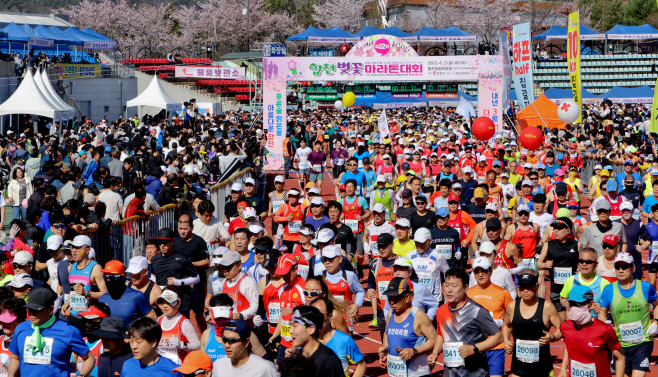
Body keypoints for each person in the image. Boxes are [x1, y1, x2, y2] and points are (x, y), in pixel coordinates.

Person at [428, 268, 503, 375]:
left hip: (475, 372)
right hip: (450, 372)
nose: (449, 290)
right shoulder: (441, 311)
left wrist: (474, 348)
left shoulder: (477, 311)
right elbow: (441, 334)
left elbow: (498, 336)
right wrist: (435, 353)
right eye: (447, 285)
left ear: (466, 287)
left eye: (454, 286)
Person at [8, 288, 95, 377]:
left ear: (50, 310)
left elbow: (89, 358)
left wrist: (82, 375)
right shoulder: (21, 328)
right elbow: (15, 358)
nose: (31, 313)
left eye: (37, 310)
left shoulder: (68, 331)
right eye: (29, 309)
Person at [598, 252, 658, 377]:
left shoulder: (645, 287)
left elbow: (657, 305)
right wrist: (605, 325)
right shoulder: (608, 290)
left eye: (624, 267)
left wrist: (656, 322)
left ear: (633, 268)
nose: (620, 270)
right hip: (619, 344)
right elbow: (602, 313)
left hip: (643, 342)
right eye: (617, 267)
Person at [502, 270, 562, 377]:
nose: (525, 290)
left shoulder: (547, 307)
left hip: (542, 368)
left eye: (529, 286)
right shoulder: (512, 306)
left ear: (536, 286)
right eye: (522, 286)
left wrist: (552, 337)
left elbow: (561, 329)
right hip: (518, 368)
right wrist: (506, 341)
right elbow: (506, 325)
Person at [558, 285, 625, 377]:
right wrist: (563, 369)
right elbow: (569, 345)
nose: (574, 307)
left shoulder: (605, 330)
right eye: (572, 304)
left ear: (591, 305)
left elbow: (620, 358)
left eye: (579, 303)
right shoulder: (565, 327)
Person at [377, 277, 436, 377]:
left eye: (395, 298)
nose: (391, 302)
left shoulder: (418, 315)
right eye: (389, 298)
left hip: (417, 374)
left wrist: (414, 351)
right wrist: (386, 348)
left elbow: (434, 339)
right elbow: (387, 334)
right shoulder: (390, 314)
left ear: (408, 297)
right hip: (395, 374)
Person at [466, 257, 513, 377]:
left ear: (490, 272)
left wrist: (507, 340)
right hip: (475, 346)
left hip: (496, 346)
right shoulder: (467, 294)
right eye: (477, 271)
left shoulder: (503, 293)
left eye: (484, 271)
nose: (480, 274)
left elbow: (511, 319)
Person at [150, 228, 200, 319]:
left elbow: (197, 278)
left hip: (181, 301)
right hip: (162, 301)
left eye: (165, 242)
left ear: (173, 241)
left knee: (181, 328)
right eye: (159, 242)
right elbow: (153, 276)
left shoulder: (182, 258)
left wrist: (178, 282)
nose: (162, 245)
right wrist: (157, 287)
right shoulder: (154, 259)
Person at [310, 296, 366, 377]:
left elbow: (361, 365)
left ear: (330, 317)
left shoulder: (344, 340)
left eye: (320, 316)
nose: (316, 319)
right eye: (312, 316)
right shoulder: (306, 341)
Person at [537, 217, 579, 320]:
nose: (555, 230)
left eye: (559, 228)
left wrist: (580, 267)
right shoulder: (548, 245)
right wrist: (545, 265)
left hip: (572, 289)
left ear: (568, 230)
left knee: (572, 319)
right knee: (562, 322)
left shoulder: (577, 245)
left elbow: (583, 262)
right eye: (554, 228)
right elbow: (538, 264)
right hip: (556, 290)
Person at [286, 306, 344, 377]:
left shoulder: (329, 361)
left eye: (295, 326)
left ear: (311, 329)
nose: (290, 331)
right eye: (290, 326)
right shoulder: (296, 357)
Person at [270, 254, 305, 363]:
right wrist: (275, 334)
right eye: (281, 274)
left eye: (286, 273)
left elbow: (313, 313)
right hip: (284, 343)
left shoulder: (305, 288)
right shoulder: (281, 289)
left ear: (295, 268)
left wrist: (295, 311)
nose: (284, 277)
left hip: (300, 344)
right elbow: (283, 315)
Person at [98, 260, 156, 326]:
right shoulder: (102, 299)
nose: (109, 280)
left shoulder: (136, 296)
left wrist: (134, 332)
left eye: (113, 277)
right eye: (106, 277)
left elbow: (152, 318)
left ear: (122, 277)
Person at [62, 235, 108, 315]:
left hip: (89, 317)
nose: (74, 251)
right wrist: (67, 304)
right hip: (73, 315)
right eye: (73, 247)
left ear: (87, 250)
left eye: (78, 248)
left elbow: (105, 294)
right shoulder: (70, 267)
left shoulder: (95, 268)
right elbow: (74, 291)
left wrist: (86, 293)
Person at [559, 248, 610, 319]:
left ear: (596, 264)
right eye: (581, 261)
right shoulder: (571, 280)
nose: (584, 264)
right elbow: (562, 298)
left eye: (588, 262)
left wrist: (602, 307)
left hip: (595, 325)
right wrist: (571, 305)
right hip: (575, 325)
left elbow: (612, 305)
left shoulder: (604, 283)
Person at [155, 290, 201, 365]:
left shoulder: (184, 323)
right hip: (161, 366)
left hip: (179, 368)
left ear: (179, 303)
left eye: (169, 302)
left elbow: (197, 345)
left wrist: (182, 345)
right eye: (162, 302)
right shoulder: (158, 322)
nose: (164, 306)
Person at [217, 250, 259, 322]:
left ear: (239, 265)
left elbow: (256, 305)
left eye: (229, 266)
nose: (226, 270)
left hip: (245, 326)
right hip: (229, 326)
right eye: (223, 267)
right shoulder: (224, 282)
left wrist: (240, 315)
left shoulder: (247, 282)